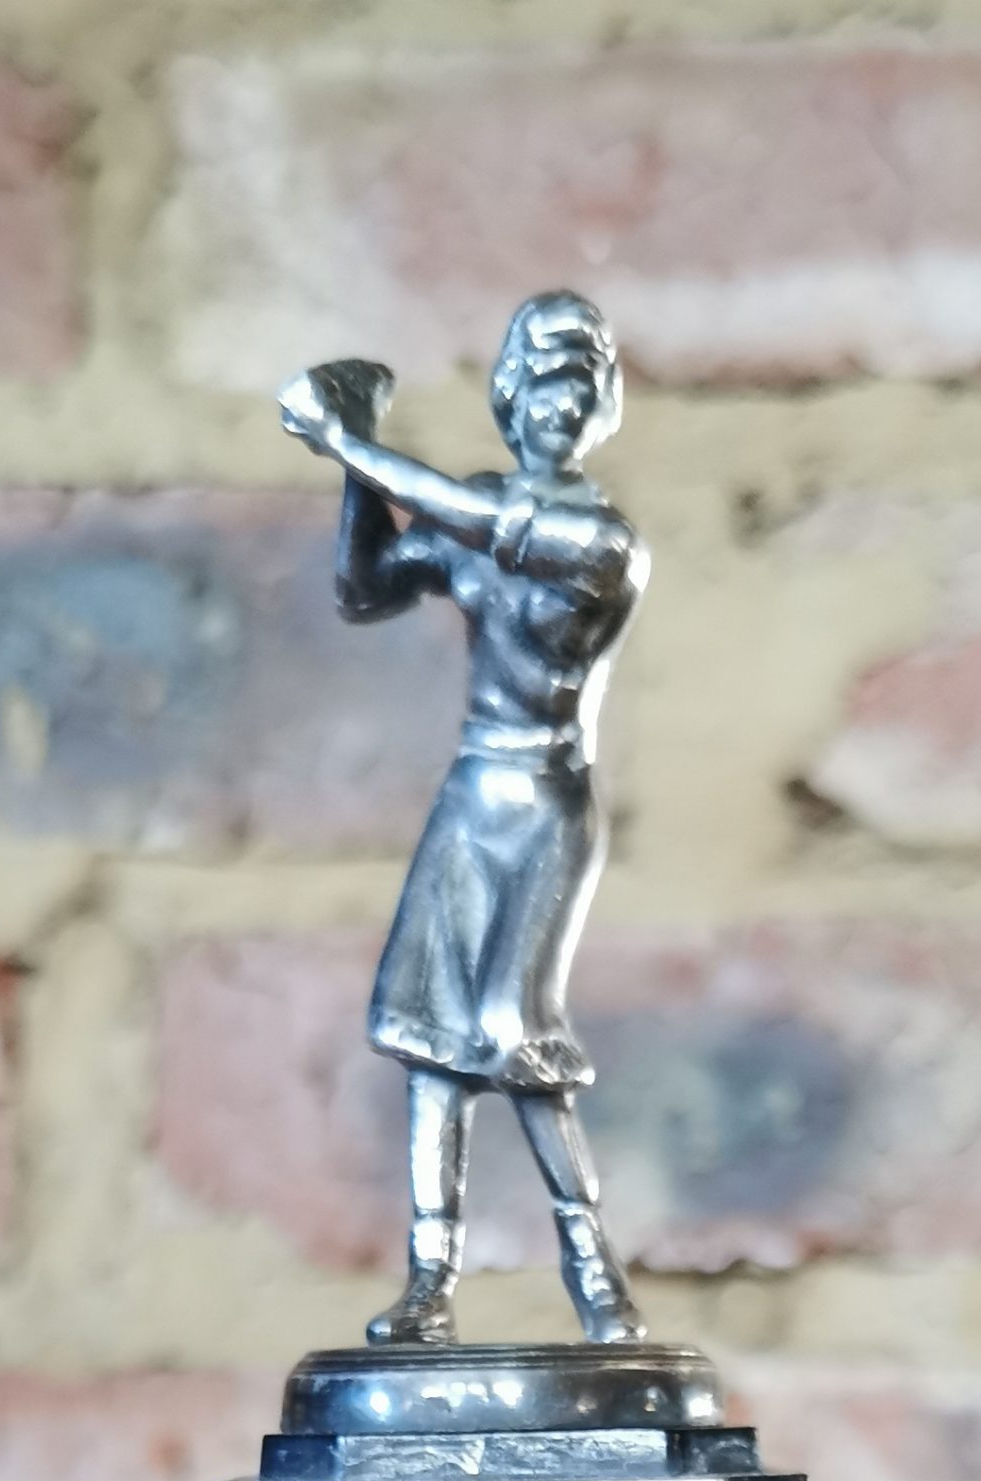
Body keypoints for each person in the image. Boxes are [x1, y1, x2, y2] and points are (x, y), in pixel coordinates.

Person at [279, 291, 649, 1347]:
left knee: (512, 1034)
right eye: (541, 388)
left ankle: (596, 1276)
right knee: (430, 1041)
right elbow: (366, 589)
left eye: (577, 391)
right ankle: (428, 1278)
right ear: (510, 398)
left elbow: (474, 525)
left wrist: (353, 443)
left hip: (546, 806)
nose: (556, 410)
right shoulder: (471, 513)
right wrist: (354, 468)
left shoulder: (599, 540)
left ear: (600, 408)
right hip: (471, 796)